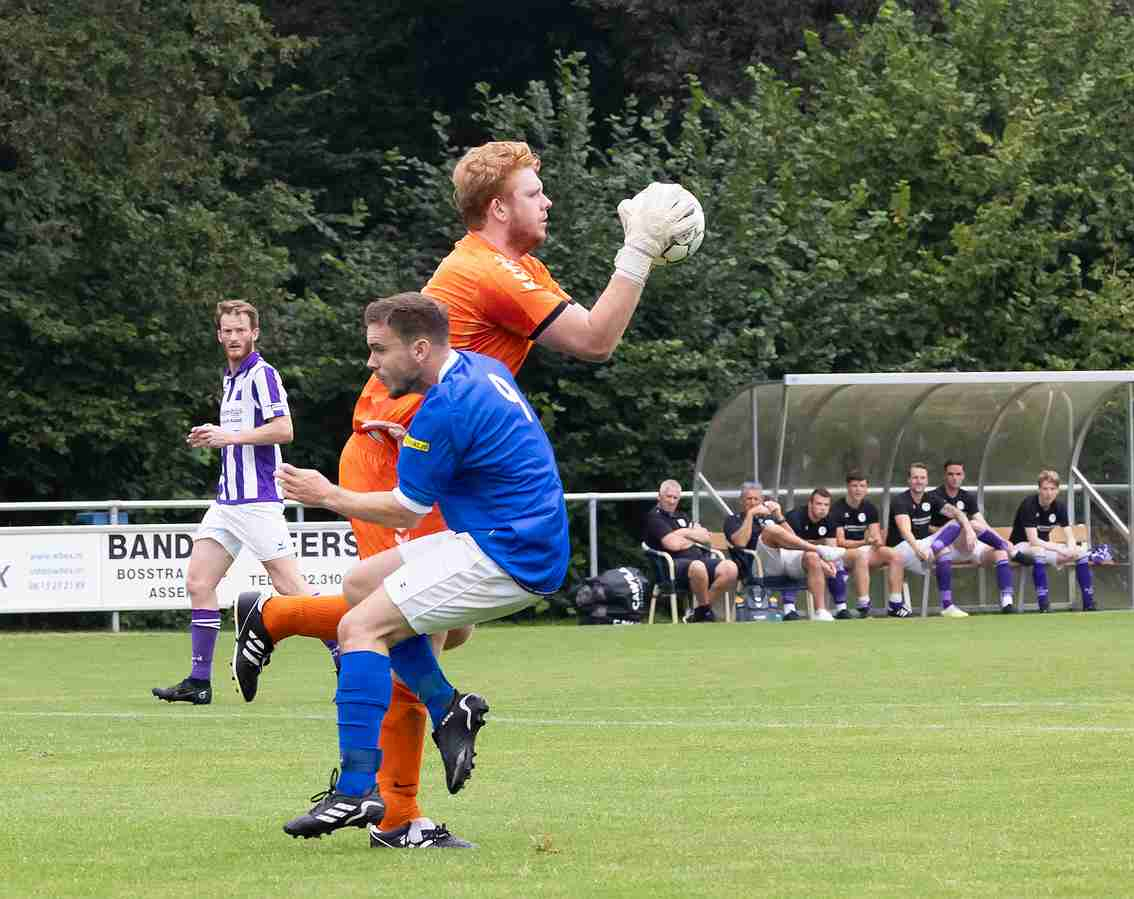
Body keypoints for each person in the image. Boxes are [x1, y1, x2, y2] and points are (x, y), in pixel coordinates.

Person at [233, 144, 701, 847]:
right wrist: (635, 250)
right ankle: (396, 814)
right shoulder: (486, 269)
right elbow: (598, 338)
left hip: (432, 461)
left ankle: (277, 616)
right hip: (394, 455)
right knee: (393, 626)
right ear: (498, 207)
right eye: (535, 192)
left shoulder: (517, 269)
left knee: (437, 626)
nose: (548, 202)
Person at [263, 293, 571, 843]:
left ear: (421, 348)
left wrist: (327, 493)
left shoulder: (443, 410)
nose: (372, 364)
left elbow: (406, 508)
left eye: (380, 350)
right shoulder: (481, 369)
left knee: (359, 628)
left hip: (509, 552)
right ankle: (447, 706)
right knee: (360, 585)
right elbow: (483, 451)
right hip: (505, 535)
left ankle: (358, 788)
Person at [151, 301, 314, 706]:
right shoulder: (230, 378)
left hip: (257, 500)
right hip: (228, 501)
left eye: (241, 330)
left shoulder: (263, 375)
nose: (234, 337)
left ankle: (349, 662)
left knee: (290, 588)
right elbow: (237, 433)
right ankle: (199, 682)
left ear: (254, 332)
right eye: (227, 330)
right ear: (219, 334)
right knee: (199, 582)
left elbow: (284, 429)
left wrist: (231, 438)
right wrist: (212, 434)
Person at [723, 481, 846, 621]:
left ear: (762, 501)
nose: (752, 502)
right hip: (756, 565)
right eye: (748, 499)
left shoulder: (769, 518)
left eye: (756, 499)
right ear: (741, 501)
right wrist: (751, 515)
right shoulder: (733, 520)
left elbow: (793, 540)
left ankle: (821, 611)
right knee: (770, 530)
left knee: (811, 557)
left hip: (781, 558)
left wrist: (779, 516)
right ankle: (819, 549)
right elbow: (740, 542)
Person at [928, 460, 1019, 616]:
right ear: (945, 476)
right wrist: (967, 528)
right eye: (950, 474)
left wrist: (1001, 539)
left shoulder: (967, 497)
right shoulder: (934, 496)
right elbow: (928, 527)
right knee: (971, 525)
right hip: (948, 547)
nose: (954, 478)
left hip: (970, 544)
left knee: (1000, 553)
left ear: (963, 476)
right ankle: (947, 605)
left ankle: (1007, 602)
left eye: (958, 474)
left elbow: (983, 524)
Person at [642, 479, 740, 622]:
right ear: (659, 496)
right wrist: (690, 534)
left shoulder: (681, 516)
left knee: (730, 568)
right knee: (698, 567)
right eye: (668, 496)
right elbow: (673, 545)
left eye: (675, 498)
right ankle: (705, 612)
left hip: (698, 560)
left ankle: (700, 611)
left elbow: (705, 537)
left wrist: (682, 533)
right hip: (671, 567)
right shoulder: (654, 518)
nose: (671, 501)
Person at [884, 462, 965, 618]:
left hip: (925, 546)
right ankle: (897, 605)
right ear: (909, 480)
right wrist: (918, 549)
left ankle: (947, 606)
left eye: (922, 478)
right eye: (915, 477)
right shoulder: (900, 500)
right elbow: (905, 531)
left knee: (952, 531)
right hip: (902, 548)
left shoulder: (931, 498)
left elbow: (956, 513)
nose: (919, 481)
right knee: (943, 549)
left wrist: (968, 530)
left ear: (927, 481)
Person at [1008, 470, 1097, 612]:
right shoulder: (1029, 504)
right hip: (1021, 546)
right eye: (1045, 489)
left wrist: (1072, 547)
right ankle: (1044, 605)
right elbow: (1033, 540)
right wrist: (1058, 548)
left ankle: (1089, 603)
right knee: (1039, 551)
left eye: (1052, 489)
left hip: (1045, 547)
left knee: (1080, 553)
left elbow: (1069, 535)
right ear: (1039, 489)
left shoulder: (1059, 506)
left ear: (1057, 490)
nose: (1048, 493)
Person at [780, 487, 861, 620]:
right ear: (810, 504)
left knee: (836, 565)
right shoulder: (795, 517)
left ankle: (841, 609)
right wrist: (822, 562)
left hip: (815, 556)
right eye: (819, 504)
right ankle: (789, 610)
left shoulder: (830, 519)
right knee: (799, 565)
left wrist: (830, 563)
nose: (823, 508)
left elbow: (831, 548)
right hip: (791, 556)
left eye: (826, 505)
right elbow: (794, 547)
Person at [827, 471, 894, 619]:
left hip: (864, 550)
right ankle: (864, 605)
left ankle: (895, 603)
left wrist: (878, 540)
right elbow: (839, 542)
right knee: (861, 556)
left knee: (893, 555)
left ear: (867, 488)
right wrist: (865, 542)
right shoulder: (837, 509)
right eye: (855, 485)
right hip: (842, 552)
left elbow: (876, 538)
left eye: (862, 486)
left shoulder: (869, 508)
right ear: (848, 487)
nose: (858, 489)